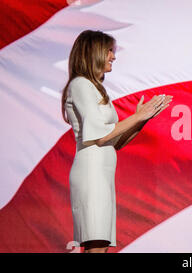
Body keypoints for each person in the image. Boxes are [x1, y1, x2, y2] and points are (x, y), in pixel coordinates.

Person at [61, 30, 172, 253]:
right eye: (109, 50)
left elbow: (115, 141)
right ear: (93, 52)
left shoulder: (95, 89)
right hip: (91, 173)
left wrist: (142, 120)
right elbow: (100, 135)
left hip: (101, 173)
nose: (114, 56)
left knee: (101, 247)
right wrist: (137, 116)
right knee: (97, 246)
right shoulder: (81, 85)